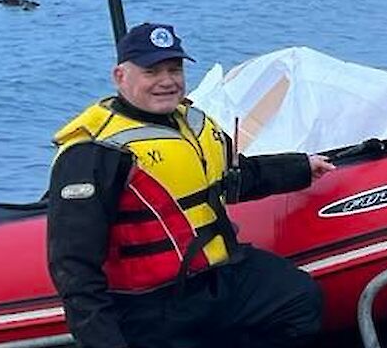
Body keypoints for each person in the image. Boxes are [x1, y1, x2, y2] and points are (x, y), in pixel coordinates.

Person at [46, 23, 336, 348]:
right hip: (151, 305)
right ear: (120, 76)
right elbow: (73, 267)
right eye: (152, 71)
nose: (167, 81)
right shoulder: (95, 152)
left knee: (299, 299)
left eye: (174, 69)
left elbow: (236, 177)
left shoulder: (193, 123)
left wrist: (299, 168)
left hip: (217, 277)